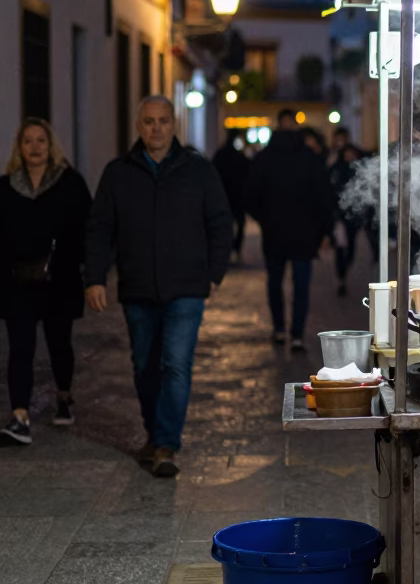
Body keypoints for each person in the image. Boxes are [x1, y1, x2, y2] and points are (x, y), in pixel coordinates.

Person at [85, 96, 233, 476]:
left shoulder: (197, 170)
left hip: (186, 287)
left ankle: (166, 444)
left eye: (163, 121)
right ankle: (154, 432)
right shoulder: (118, 172)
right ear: (139, 126)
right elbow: (100, 229)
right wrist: (95, 278)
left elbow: (220, 222)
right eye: (149, 121)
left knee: (176, 365)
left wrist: (214, 273)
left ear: (174, 125)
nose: (156, 128)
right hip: (137, 287)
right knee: (144, 366)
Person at [0, 119, 92, 444]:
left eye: (41, 141)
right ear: (19, 147)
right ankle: (20, 416)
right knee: (21, 348)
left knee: (59, 343)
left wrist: (85, 269)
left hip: (59, 281)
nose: (35, 147)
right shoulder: (6, 186)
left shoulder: (69, 183)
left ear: (50, 145)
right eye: (28, 141)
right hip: (18, 282)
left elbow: (86, 228)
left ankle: (64, 396)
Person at [245, 108, 335, 350]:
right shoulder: (309, 157)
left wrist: (265, 219)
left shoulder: (264, 158)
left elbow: (251, 196)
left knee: (275, 282)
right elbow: (324, 196)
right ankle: (296, 333)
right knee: (301, 285)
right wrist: (324, 229)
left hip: (274, 232)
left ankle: (278, 329)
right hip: (304, 235)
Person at [328, 143, 363, 297]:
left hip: (353, 217)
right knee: (340, 248)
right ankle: (341, 277)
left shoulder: (358, 170)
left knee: (351, 248)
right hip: (339, 217)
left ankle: (344, 273)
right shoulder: (336, 170)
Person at [212, 129, 251, 263]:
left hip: (225, 195)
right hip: (236, 196)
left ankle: (228, 250)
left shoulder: (221, 155)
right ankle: (235, 249)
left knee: (226, 225)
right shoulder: (240, 157)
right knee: (238, 224)